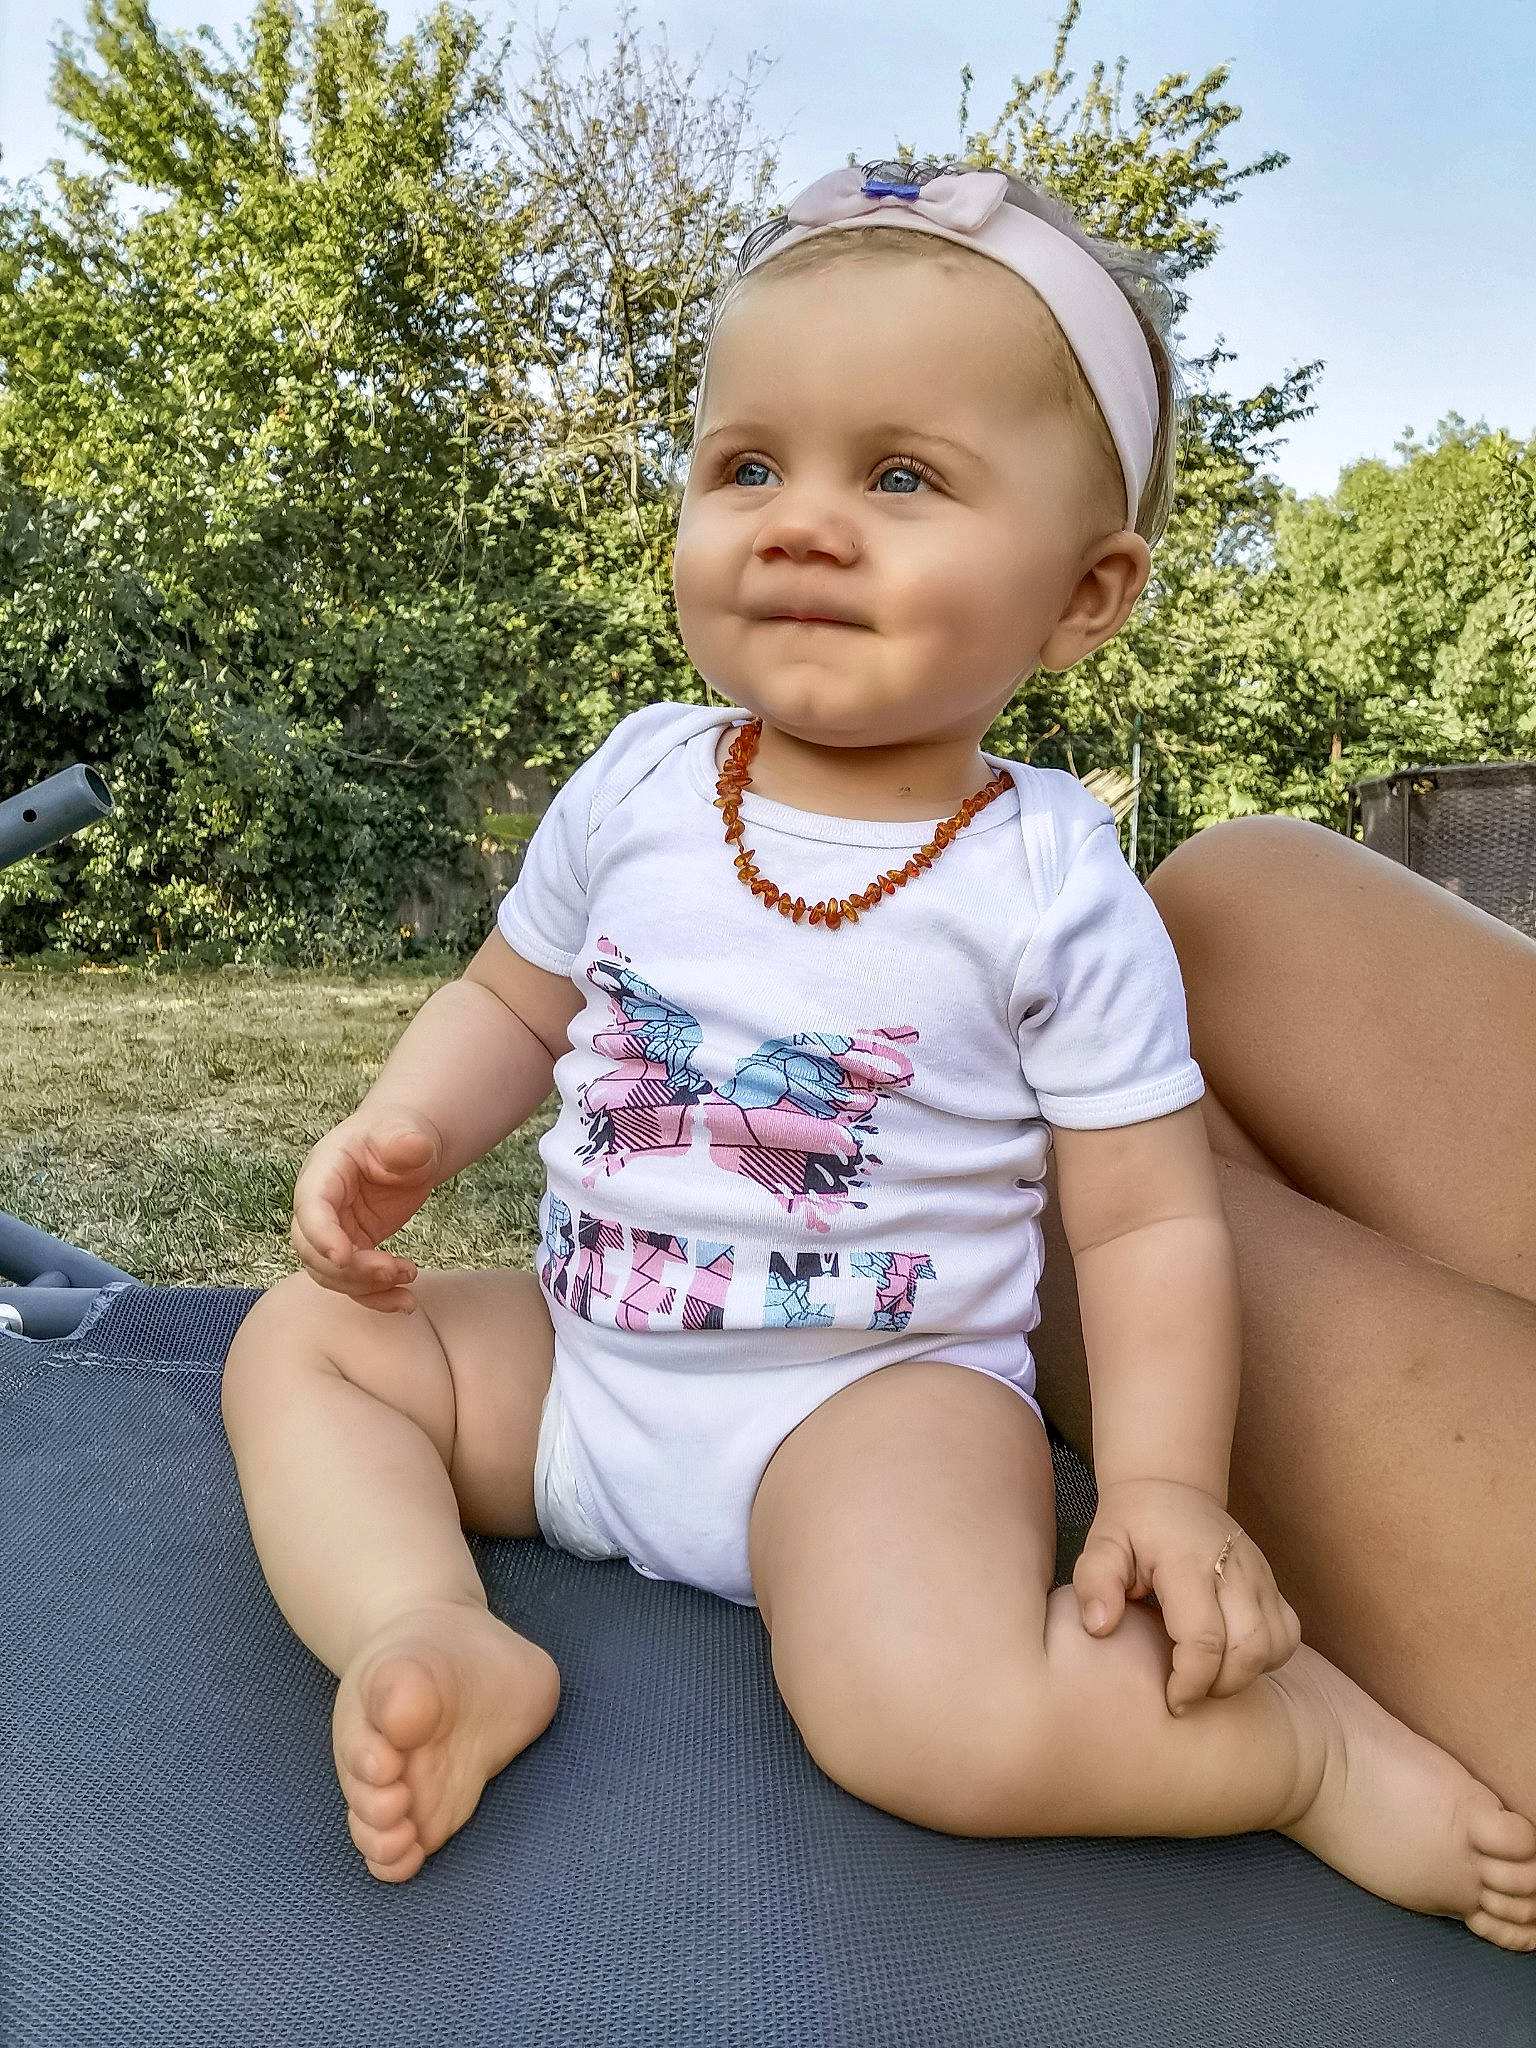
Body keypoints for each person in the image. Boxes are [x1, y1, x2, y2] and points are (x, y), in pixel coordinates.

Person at [220, 158, 1536, 1947]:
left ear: (1084, 597)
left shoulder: (1053, 879)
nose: (801, 520)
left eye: (901, 477)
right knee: (305, 1345)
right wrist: (406, 1126)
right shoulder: (638, 780)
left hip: (867, 1405)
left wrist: (1160, 1487)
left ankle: (1293, 1755)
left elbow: (1145, 1228)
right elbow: (512, 1005)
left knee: (926, 1717)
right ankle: (421, 1621)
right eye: (746, 464)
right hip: (588, 1371)